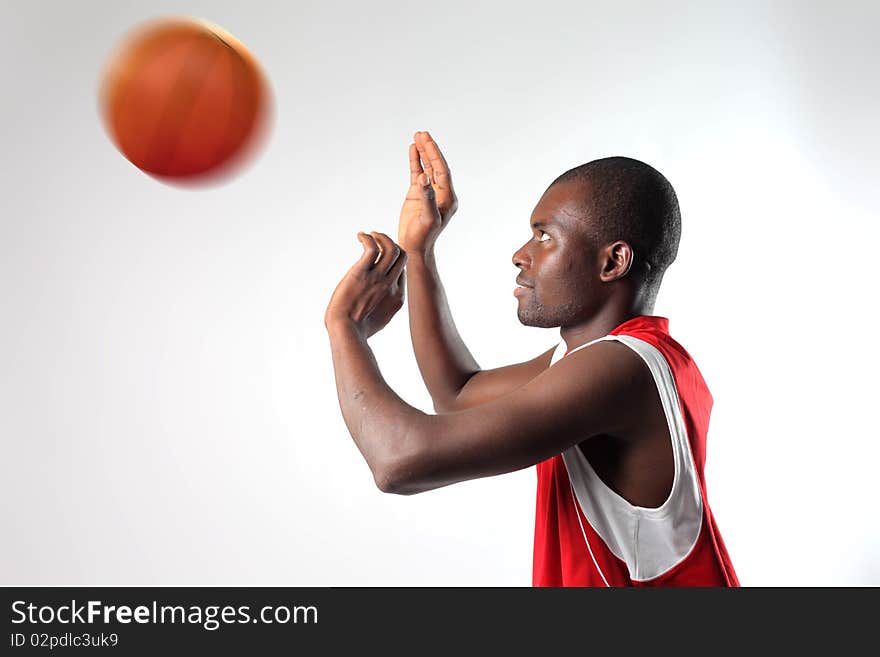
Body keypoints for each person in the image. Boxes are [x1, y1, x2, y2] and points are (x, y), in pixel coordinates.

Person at [324, 131, 738, 586]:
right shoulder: (612, 358)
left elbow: (399, 460)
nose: (521, 255)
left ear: (613, 262)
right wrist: (421, 253)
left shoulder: (622, 368)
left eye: (544, 236)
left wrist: (345, 327)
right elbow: (457, 395)